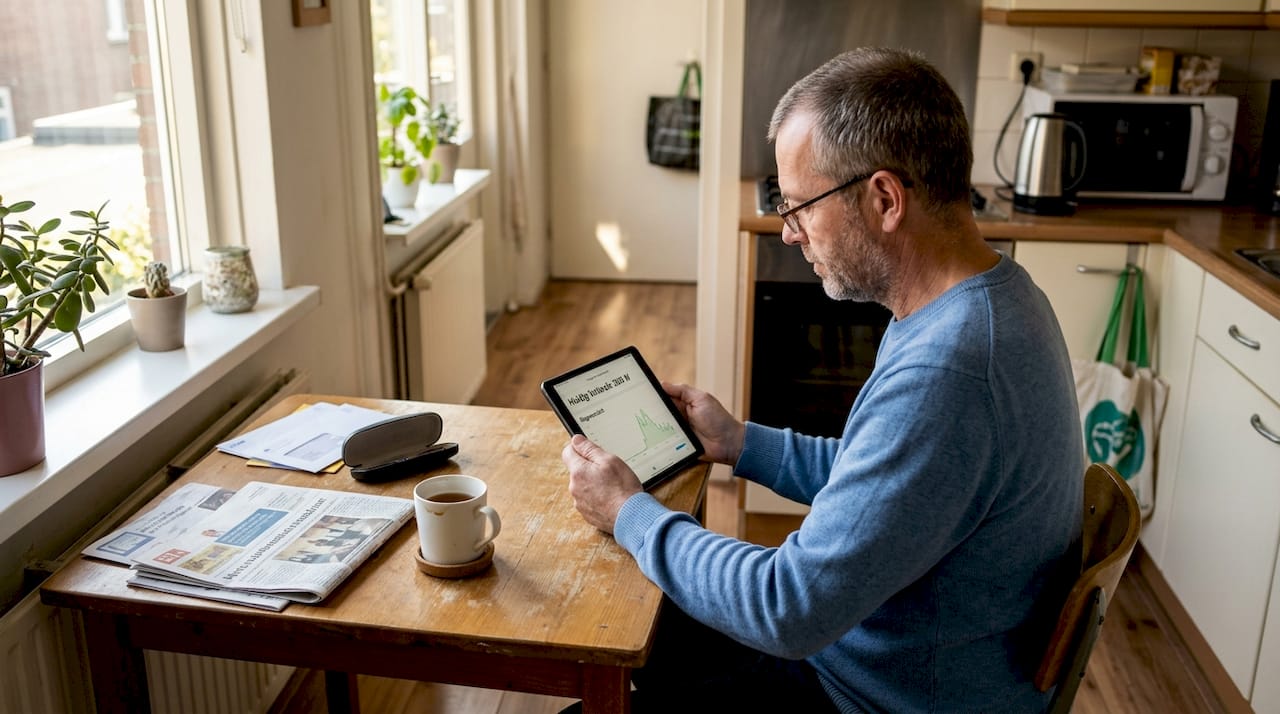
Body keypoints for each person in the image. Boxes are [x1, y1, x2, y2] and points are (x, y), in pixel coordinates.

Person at [561, 47, 1083, 713]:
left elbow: (788, 609)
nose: (787, 232)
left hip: (868, 695)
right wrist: (739, 441)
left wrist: (629, 513)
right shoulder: (991, 298)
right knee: (645, 630)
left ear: (885, 198)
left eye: (800, 205)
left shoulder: (950, 370)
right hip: (883, 658)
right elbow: (881, 481)